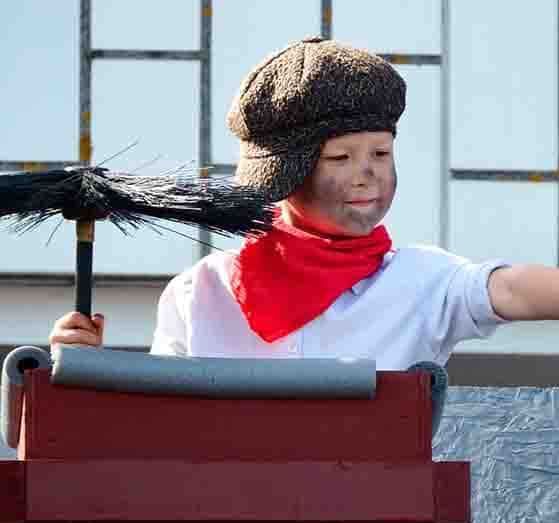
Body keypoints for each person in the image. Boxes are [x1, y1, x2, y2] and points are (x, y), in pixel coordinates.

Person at [49, 37, 558, 370]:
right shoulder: (199, 293)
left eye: (382, 152)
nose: (370, 172)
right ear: (286, 175)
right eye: (341, 156)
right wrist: (79, 369)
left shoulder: (425, 281)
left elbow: (508, 289)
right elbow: (154, 427)